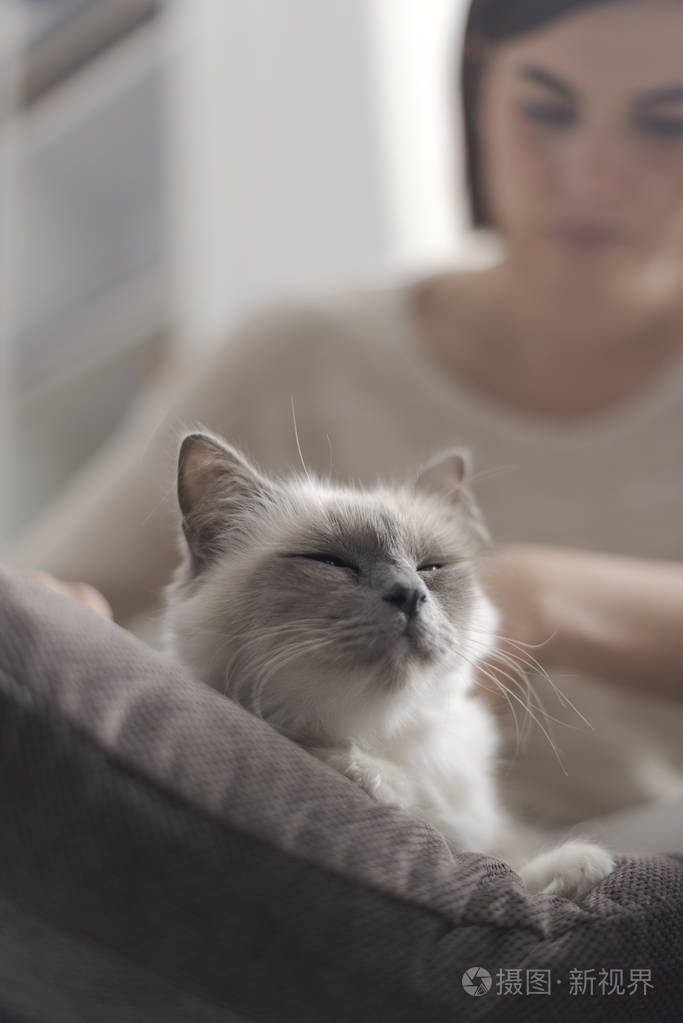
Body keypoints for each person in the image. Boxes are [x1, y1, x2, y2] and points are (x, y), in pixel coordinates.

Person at [10, 0, 683, 832]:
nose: (589, 172)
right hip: (287, 838)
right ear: (476, 93)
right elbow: (49, 596)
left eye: (665, 125)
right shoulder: (298, 348)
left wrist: (561, 597)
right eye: (546, 110)